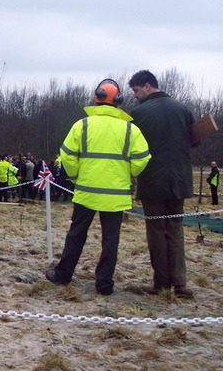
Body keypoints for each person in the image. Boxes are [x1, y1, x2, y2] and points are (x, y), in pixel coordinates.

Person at [46, 79, 150, 296]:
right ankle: (104, 285)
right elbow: (142, 160)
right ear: (118, 102)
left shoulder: (82, 125)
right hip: (115, 195)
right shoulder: (130, 130)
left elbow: (67, 156)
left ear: (96, 99)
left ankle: (63, 274)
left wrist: (76, 177)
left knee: (76, 234)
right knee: (110, 241)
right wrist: (127, 175)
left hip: (86, 192)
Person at [128, 70, 196, 298]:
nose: (135, 96)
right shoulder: (183, 108)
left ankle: (161, 283)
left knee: (157, 230)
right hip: (180, 179)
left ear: (148, 86)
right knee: (175, 229)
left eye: (136, 91)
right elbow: (192, 141)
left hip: (153, 180)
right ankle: (180, 283)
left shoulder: (138, 113)